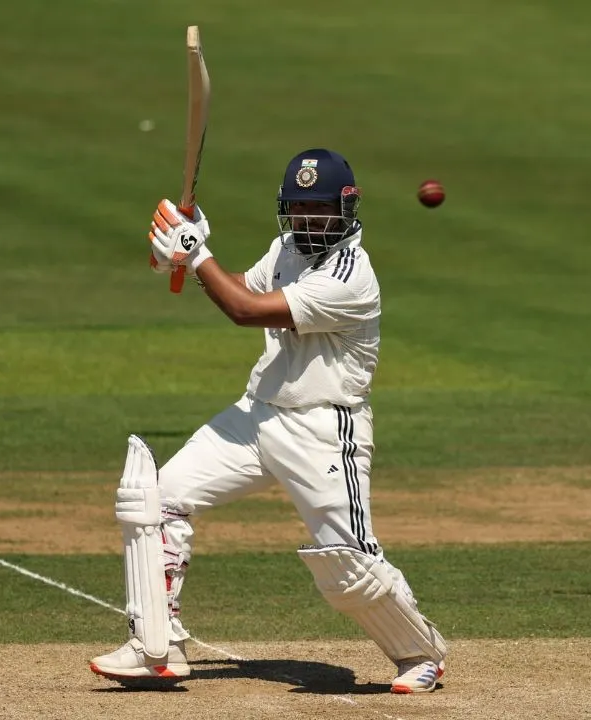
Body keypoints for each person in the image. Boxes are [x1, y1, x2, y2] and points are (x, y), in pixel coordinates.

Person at [88, 148, 448, 694]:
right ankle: (157, 647)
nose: (307, 222)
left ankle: (421, 652)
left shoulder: (351, 276)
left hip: (324, 429)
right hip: (256, 416)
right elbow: (244, 286)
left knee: (347, 565)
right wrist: (182, 258)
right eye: (298, 210)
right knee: (157, 500)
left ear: (346, 208)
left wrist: (196, 253)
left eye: (319, 210)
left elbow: (246, 311)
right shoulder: (288, 248)